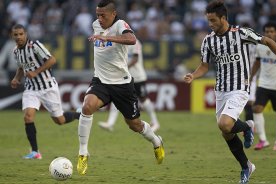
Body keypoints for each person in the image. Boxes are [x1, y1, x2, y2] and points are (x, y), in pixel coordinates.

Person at [183, 1, 276, 184]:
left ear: (223, 18)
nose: (210, 24)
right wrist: (193, 76)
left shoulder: (241, 33)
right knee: (226, 132)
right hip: (221, 90)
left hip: (240, 87)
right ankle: (247, 166)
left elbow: (267, 41)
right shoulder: (208, 40)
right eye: (208, 21)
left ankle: (246, 127)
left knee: (225, 124)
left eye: (213, 20)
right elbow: (204, 66)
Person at [76, 0, 164, 175]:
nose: (99, 19)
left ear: (113, 13)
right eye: (97, 15)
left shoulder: (120, 25)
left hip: (122, 84)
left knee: (134, 125)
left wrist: (106, 37)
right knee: (87, 106)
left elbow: (131, 39)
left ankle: (156, 141)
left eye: (103, 15)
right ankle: (83, 153)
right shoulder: (95, 25)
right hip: (100, 81)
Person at [10, 24, 80, 159]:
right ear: (12, 36)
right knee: (28, 116)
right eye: (15, 35)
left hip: (48, 87)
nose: (18, 37)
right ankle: (35, 152)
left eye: (20, 34)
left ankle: (78, 114)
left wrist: (36, 72)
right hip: (31, 89)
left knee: (60, 120)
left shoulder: (35, 46)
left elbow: (52, 59)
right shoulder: (16, 51)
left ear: (25, 34)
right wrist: (16, 78)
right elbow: (21, 67)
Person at [98, 38, 160, 132]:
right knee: (117, 97)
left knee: (143, 99)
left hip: (138, 76)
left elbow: (135, 59)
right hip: (125, 77)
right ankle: (110, 123)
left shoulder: (135, 42)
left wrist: (123, 68)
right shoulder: (119, 43)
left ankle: (155, 122)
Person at [250, 22, 276, 151]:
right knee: (257, 109)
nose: (269, 34)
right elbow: (257, 63)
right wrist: (251, 76)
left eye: (272, 31)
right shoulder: (260, 47)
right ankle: (263, 140)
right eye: (267, 32)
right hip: (263, 84)